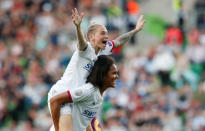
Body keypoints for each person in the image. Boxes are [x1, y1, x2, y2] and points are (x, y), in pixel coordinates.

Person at [47, 8, 146, 131]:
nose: (106, 36)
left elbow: (119, 40)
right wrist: (78, 28)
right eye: (103, 33)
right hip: (62, 93)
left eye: (106, 33)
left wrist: (135, 31)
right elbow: (81, 42)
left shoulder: (103, 49)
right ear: (92, 37)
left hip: (76, 98)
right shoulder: (85, 50)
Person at [49, 55, 119, 131]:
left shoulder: (99, 96)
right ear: (104, 75)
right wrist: (57, 128)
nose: (117, 76)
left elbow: (84, 121)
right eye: (114, 73)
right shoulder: (88, 90)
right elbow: (54, 100)